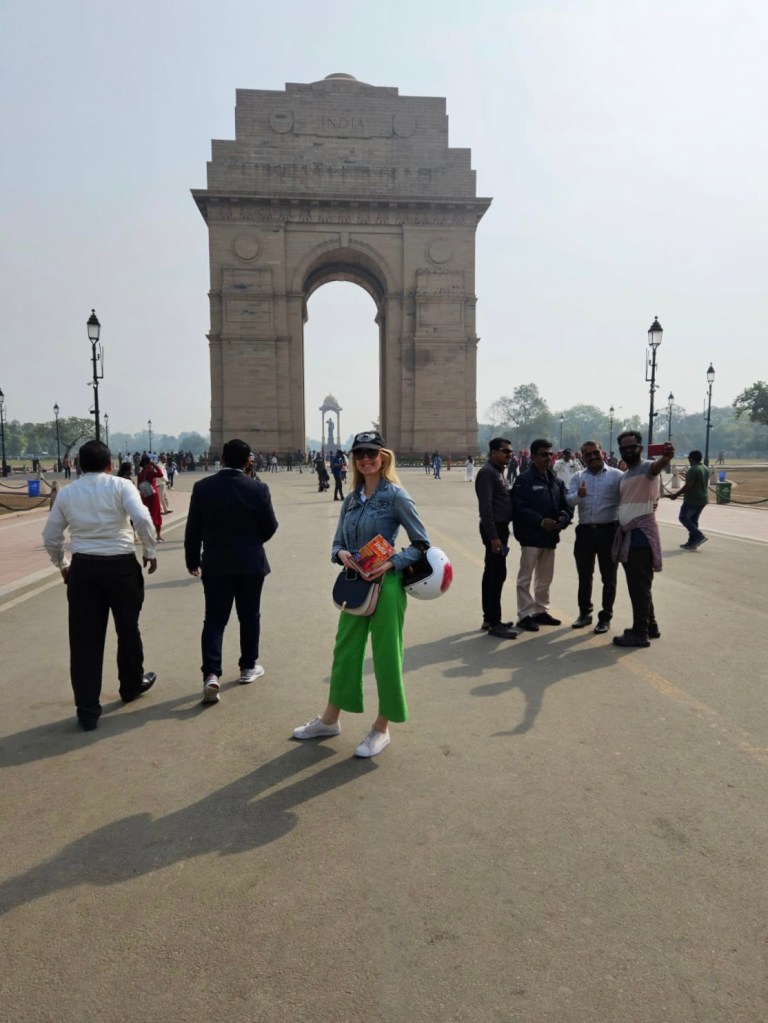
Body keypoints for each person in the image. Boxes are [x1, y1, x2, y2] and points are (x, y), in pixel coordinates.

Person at [293, 430, 430, 758]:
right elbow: (338, 542)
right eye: (359, 454)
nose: (366, 459)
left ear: (383, 456)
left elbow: (421, 544)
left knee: (385, 657)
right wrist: (340, 554)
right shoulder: (351, 498)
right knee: (345, 653)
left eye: (371, 452)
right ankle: (330, 720)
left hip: (387, 585)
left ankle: (381, 728)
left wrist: (392, 563)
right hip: (354, 583)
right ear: (353, 459)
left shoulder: (397, 496)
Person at [41, 440, 158, 731]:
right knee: (128, 628)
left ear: (79, 466)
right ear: (110, 464)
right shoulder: (120, 486)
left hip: (84, 568)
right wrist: (150, 552)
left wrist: (63, 564)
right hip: (120, 565)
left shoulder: (68, 493)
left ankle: (87, 709)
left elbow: (50, 535)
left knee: (84, 641)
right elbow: (142, 518)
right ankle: (130, 686)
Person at [184, 439, 278, 704]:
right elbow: (270, 527)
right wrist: (251, 543)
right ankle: (248, 667)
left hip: (215, 563)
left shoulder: (202, 487)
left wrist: (192, 560)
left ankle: (211, 675)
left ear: (222, 458)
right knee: (250, 615)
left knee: (214, 619)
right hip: (251, 563)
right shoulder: (258, 488)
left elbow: (193, 529)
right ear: (249, 460)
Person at [611, 431, 674, 648]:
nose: (629, 450)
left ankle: (640, 633)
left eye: (633, 446)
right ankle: (650, 626)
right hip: (630, 534)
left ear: (640, 447)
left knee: (638, 586)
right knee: (640, 585)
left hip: (640, 536)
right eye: (624, 447)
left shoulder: (648, 468)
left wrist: (666, 458)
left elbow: (658, 467)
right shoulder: (626, 474)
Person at [511, 438, 572, 632]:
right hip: (531, 536)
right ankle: (524, 614)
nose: (549, 457)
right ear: (534, 456)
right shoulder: (524, 480)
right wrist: (540, 520)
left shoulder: (555, 480)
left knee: (545, 578)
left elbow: (566, 506)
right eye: (544, 454)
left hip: (550, 537)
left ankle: (540, 610)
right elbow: (518, 508)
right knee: (525, 578)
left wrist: (563, 518)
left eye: (550, 454)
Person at [566, 440, 623, 634]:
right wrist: (579, 496)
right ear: (582, 457)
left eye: (595, 453)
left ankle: (605, 617)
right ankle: (584, 614)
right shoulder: (578, 476)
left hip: (609, 531)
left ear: (603, 453)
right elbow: (569, 501)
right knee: (584, 576)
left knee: (609, 577)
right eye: (587, 454)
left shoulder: (617, 476)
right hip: (585, 532)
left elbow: (627, 498)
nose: (592, 457)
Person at [474, 439, 517, 639]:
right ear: (493, 452)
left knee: (492, 573)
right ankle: (494, 622)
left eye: (510, 451)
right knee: (496, 574)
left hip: (500, 528)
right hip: (495, 530)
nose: (509, 454)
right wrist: (494, 537)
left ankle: (489, 619)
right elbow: (486, 507)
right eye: (505, 451)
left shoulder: (497, 471)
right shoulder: (487, 473)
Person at [670, 449, 709, 550]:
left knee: (683, 517)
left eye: (689, 458)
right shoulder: (705, 468)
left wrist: (676, 494)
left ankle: (699, 535)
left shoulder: (693, 469)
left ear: (691, 459)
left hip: (692, 499)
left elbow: (688, 486)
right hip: (703, 498)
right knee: (693, 520)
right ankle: (693, 542)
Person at [137, 456, 163, 541]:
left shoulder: (140, 474)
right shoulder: (150, 472)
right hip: (153, 496)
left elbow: (138, 486)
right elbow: (160, 474)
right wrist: (155, 465)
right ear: (147, 463)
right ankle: (158, 536)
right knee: (156, 514)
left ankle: (147, 535)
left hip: (145, 496)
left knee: (147, 514)